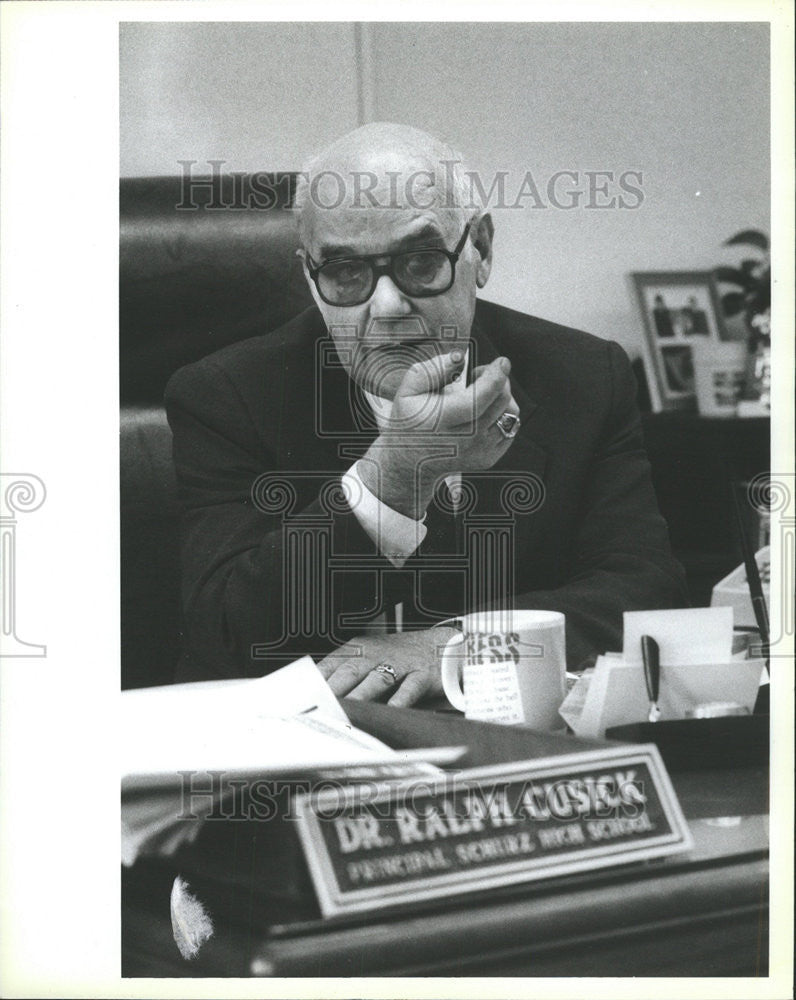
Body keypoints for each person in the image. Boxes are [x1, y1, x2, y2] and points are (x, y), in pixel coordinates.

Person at [165, 122, 687, 704]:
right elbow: (225, 635)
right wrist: (393, 476)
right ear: (310, 278)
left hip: (511, 749)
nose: (386, 307)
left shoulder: (587, 376)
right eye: (345, 273)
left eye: (419, 261)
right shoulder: (224, 395)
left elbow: (646, 595)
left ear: (481, 250)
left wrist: (461, 647)